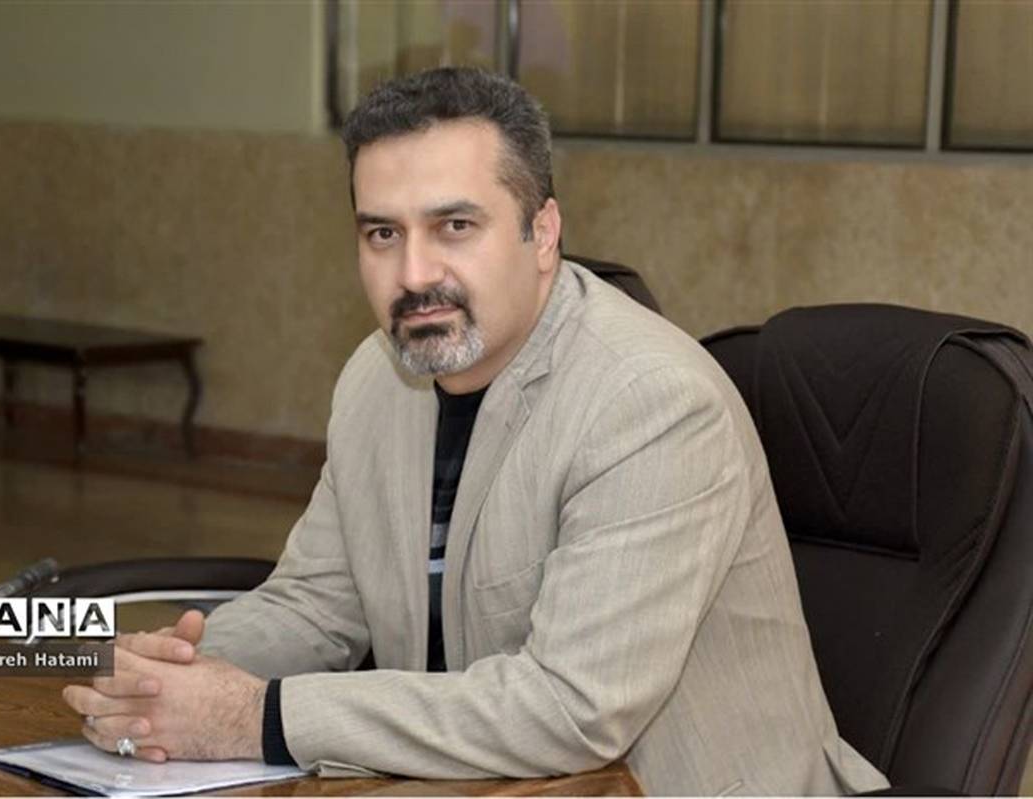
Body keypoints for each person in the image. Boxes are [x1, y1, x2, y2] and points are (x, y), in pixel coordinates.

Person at [62, 67, 888, 795]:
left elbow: (571, 708)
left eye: (455, 226)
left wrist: (259, 717)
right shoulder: (377, 377)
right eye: (383, 233)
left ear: (543, 233)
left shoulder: (651, 402)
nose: (414, 273)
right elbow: (317, 608)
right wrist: (160, 672)